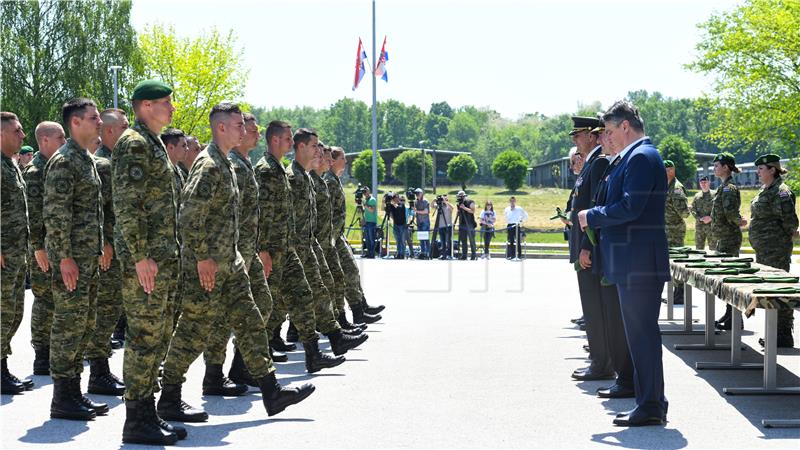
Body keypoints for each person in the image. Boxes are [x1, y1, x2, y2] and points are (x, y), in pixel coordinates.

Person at [159, 103, 315, 426]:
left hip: (230, 263)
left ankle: (271, 391)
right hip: (208, 267)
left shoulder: (225, 163)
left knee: (252, 320)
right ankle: (169, 396)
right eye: (238, 125)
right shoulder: (209, 166)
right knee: (193, 330)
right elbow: (188, 216)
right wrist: (202, 257)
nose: (244, 131)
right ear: (220, 128)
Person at [578, 100, 670, 427]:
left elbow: (630, 207)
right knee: (640, 336)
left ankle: (650, 406)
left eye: (609, 131)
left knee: (642, 336)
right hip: (634, 261)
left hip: (639, 263)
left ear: (625, 126)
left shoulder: (642, 157)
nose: (607, 137)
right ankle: (652, 401)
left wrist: (592, 216)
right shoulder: (633, 157)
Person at [112, 80, 185, 444]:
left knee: (158, 336)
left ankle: (148, 411)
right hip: (146, 262)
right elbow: (128, 204)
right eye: (164, 103)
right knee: (143, 337)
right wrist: (140, 255)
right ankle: (136, 418)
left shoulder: (153, 143)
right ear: (144, 106)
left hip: (163, 259)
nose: (170, 108)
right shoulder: (135, 143)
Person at [254, 121, 347, 374]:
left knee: (304, 296)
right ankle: (244, 365)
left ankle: (316, 351)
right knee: (266, 309)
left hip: (290, 248)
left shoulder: (282, 170)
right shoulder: (267, 171)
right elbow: (261, 213)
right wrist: (263, 250)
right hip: (274, 251)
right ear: (275, 140)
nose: (290, 143)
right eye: (286, 139)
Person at [201, 112, 280, 395]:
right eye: (250, 129)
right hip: (231, 253)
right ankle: (214, 375)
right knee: (222, 317)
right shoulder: (229, 163)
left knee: (262, 303)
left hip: (246, 251)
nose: (256, 134)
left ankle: (241, 367)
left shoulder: (242, 164)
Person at [43, 98, 106, 420]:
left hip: (87, 260)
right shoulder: (64, 161)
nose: (99, 122)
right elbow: (56, 215)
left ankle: (74, 392)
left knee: (84, 325)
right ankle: (62, 397)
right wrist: (64, 257)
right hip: (72, 263)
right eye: (93, 118)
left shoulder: (85, 160)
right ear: (76, 122)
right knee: (68, 325)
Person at [580, 124, 635, 400]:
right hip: (606, 250)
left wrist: (589, 228)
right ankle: (622, 376)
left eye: (607, 133)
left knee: (616, 318)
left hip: (618, 253)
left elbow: (624, 209)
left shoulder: (622, 164)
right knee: (610, 316)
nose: (604, 139)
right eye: (602, 135)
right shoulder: (611, 166)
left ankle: (623, 377)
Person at [567, 116, 615, 382]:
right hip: (585, 246)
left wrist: (586, 245)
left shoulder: (598, 163)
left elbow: (593, 208)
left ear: (592, 135)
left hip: (591, 247)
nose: (575, 139)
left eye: (579, 134)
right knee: (592, 306)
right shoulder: (590, 163)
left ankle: (601, 362)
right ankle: (599, 357)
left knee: (595, 307)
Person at [323, 147, 384, 323]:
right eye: (343, 158)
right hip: (330, 237)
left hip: (337, 235)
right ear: (333, 160)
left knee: (351, 271)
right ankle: (349, 315)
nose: (346, 161)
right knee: (343, 275)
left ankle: (360, 308)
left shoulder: (334, 180)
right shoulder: (329, 181)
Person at [25, 122, 66, 378]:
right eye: (60, 137)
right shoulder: (35, 171)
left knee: (54, 298)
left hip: (54, 245)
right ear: (45, 141)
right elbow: (34, 214)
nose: (64, 141)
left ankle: (52, 349)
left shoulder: (54, 166)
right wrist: (39, 247)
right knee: (43, 299)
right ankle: (42, 354)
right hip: (41, 247)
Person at [748, 154, 798, 348]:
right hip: (764, 250)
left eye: (761, 168)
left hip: (776, 250)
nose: (758, 172)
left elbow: (790, 222)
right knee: (769, 291)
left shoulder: (782, 192)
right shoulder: (765, 190)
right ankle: (774, 332)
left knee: (779, 290)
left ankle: (783, 333)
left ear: (772, 170)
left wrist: (781, 238)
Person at [1, 111, 33, 395]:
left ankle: (2, 367)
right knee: (2, 312)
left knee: (12, 312)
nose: (23, 136)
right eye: (17, 131)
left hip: (16, 253)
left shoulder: (9, 165)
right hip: (3, 254)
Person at [710, 152, 746, 331]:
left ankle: (735, 318)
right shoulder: (723, 186)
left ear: (726, 167)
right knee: (726, 279)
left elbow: (731, 213)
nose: (715, 168)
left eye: (717, 165)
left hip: (729, 238)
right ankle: (729, 313)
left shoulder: (728, 188)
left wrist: (740, 221)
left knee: (730, 278)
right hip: (724, 238)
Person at [663, 159, 690, 305]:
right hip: (667, 230)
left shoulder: (677, 189)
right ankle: (677, 291)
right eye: (664, 169)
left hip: (675, 231)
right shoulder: (665, 186)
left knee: (677, 262)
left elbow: (685, 213)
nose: (666, 172)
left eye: (668, 169)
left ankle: (680, 292)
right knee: (671, 263)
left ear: (673, 170)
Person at [690, 175, 715, 250]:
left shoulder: (715, 195)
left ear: (709, 183)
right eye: (701, 182)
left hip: (712, 226)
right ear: (699, 184)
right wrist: (700, 218)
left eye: (705, 182)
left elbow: (719, 209)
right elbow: (692, 209)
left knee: (713, 248)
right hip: (700, 226)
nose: (703, 184)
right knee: (699, 248)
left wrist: (711, 218)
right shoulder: (697, 196)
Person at [456, 190, 478, 260]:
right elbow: (459, 213)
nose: (460, 198)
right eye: (459, 196)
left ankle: (473, 255)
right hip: (462, 224)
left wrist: (464, 208)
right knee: (463, 241)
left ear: (465, 196)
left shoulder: (470, 202)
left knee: (472, 240)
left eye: (461, 196)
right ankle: (464, 255)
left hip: (470, 223)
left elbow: (472, 211)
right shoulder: (459, 203)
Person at [433, 194, 454, 259]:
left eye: (446, 199)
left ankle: (449, 254)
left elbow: (452, 208)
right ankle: (444, 254)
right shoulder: (440, 206)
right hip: (441, 226)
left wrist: (445, 201)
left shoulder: (448, 206)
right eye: (443, 199)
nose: (444, 200)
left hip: (448, 226)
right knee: (442, 242)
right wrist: (434, 200)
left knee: (448, 241)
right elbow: (432, 206)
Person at [387, 193, 408, 259]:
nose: (395, 199)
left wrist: (393, 204)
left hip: (402, 225)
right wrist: (387, 202)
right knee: (398, 240)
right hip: (396, 224)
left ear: (398, 198)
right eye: (393, 198)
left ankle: (402, 254)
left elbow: (399, 208)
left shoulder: (401, 204)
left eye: (396, 198)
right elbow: (387, 210)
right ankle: (399, 253)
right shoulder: (392, 205)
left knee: (402, 240)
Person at [414, 188, 431, 259]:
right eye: (416, 193)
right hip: (419, 222)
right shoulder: (416, 202)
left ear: (421, 193)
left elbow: (426, 211)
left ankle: (427, 253)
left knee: (425, 238)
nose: (417, 195)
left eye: (418, 193)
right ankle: (423, 253)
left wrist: (417, 211)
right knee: (421, 239)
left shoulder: (425, 201)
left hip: (425, 222)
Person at [362, 186, 379, 258]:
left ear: (369, 192)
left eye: (366, 191)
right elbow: (365, 211)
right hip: (367, 222)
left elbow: (372, 210)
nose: (364, 193)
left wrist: (365, 205)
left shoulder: (372, 200)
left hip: (372, 222)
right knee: (367, 239)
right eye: (364, 192)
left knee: (372, 239)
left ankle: (372, 253)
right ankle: (369, 253)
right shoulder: (366, 200)